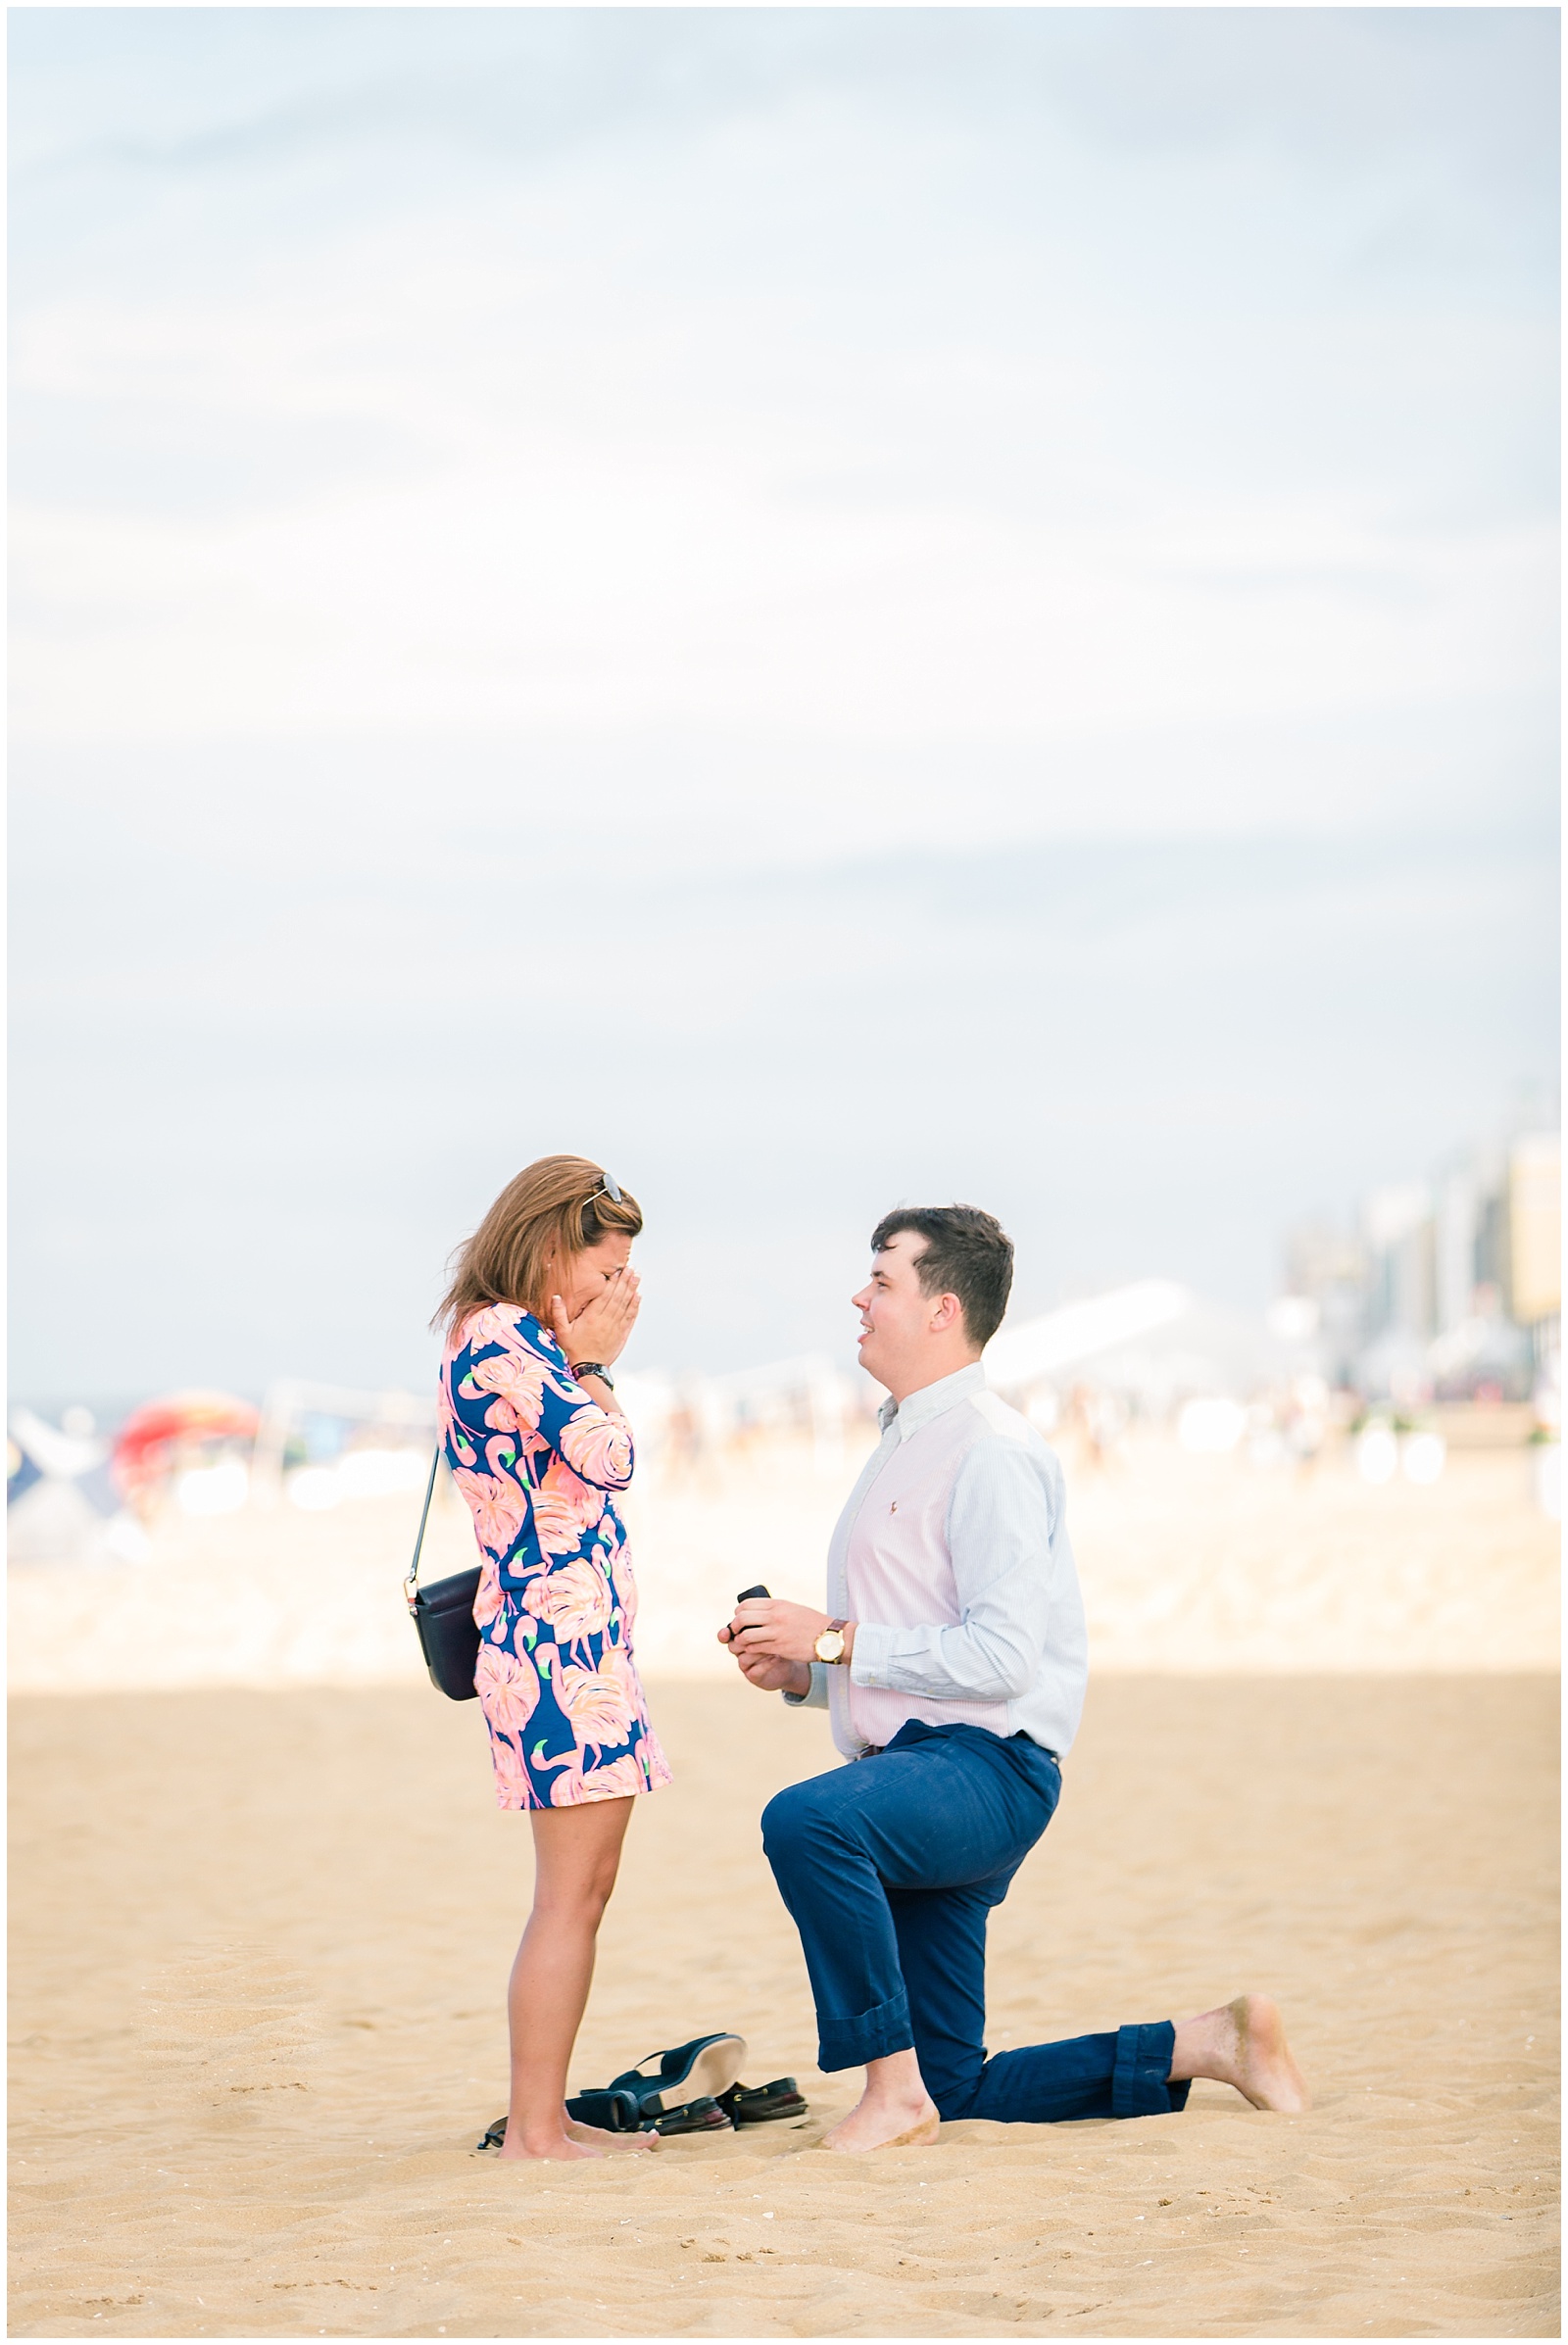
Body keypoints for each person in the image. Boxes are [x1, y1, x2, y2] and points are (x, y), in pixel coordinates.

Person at [721, 1204, 1309, 2153]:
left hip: (984, 1770)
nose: (858, 1296)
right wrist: (803, 1670)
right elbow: (915, 1643)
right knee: (957, 2082)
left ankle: (886, 2091)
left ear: (942, 1307)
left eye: (882, 1280)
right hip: (919, 1774)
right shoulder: (905, 1439)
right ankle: (1207, 2042)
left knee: (807, 1819)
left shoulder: (990, 1448)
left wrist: (831, 1639)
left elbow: (1001, 1658)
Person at [436, 1154, 669, 2163]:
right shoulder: (502, 1338)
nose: (615, 1296)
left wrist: (583, 1353)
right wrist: (597, 1356)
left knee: (587, 1886)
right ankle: (535, 2129)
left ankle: (547, 2115)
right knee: (568, 1895)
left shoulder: (526, 1338)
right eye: (604, 1272)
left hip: (577, 1642)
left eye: (624, 1279)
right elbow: (611, 1458)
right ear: (545, 1249)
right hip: (550, 1650)